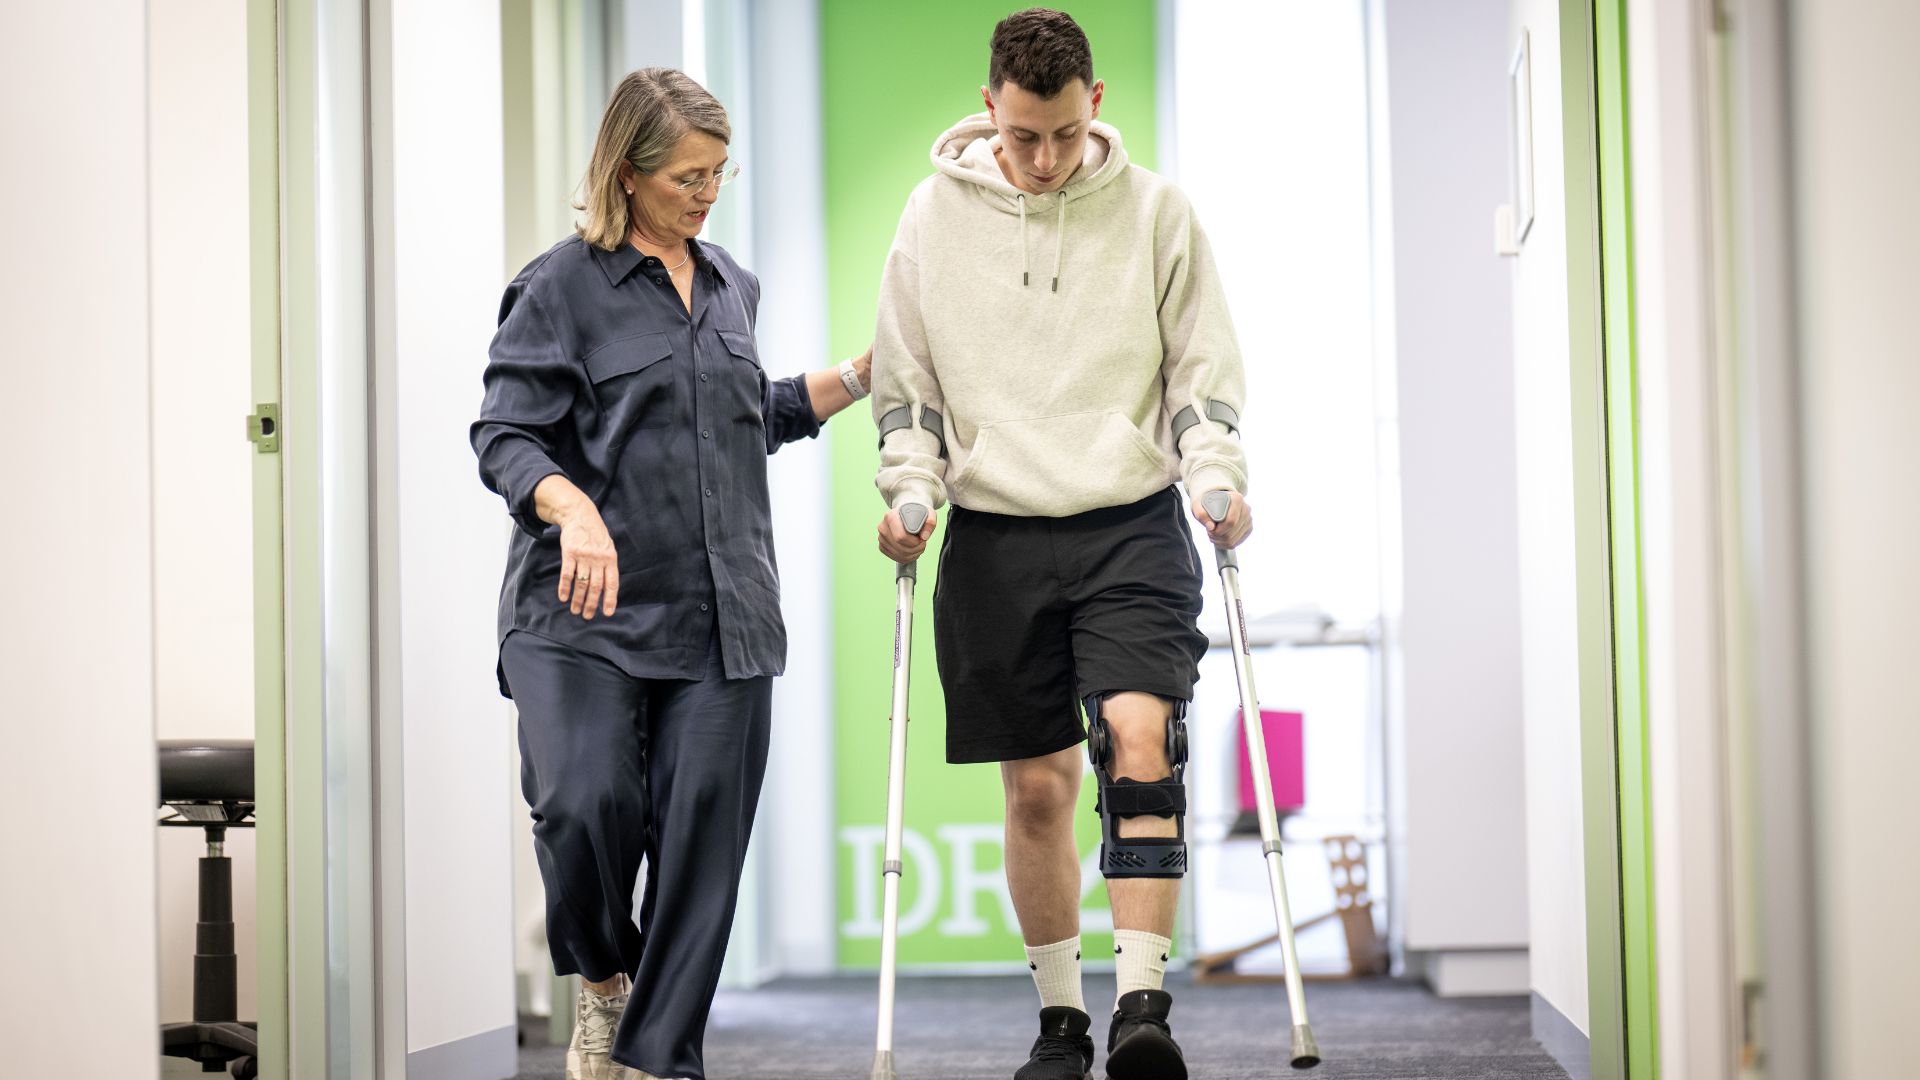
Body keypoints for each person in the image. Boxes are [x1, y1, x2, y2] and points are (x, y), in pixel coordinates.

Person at [870, 9, 1253, 1080]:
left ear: (1098, 108)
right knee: (1036, 786)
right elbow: (909, 391)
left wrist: (1218, 479)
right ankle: (1061, 1021)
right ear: (991, 106)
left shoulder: (1158, 213)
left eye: (1067, 135)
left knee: (1140, 736)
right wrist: (909, 494)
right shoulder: (930, 218)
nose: (1045, 160)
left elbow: (1200, 375)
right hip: (995, 533)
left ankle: (1143, 1007)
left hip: (1129, 520)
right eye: (1026, 135)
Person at [472, 68, 870, 1080]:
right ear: (628, 171)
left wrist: (861, 377)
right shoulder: (558, 287)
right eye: (688, 175)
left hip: (720, 617)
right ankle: (603, 981)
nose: (705, 192)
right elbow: (507, 435)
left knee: (700, 851)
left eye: (718, 174)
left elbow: (749, 416)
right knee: (583, 804)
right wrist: (572, 508)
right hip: (582, 616)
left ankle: (658, 1061)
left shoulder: (732, 283)